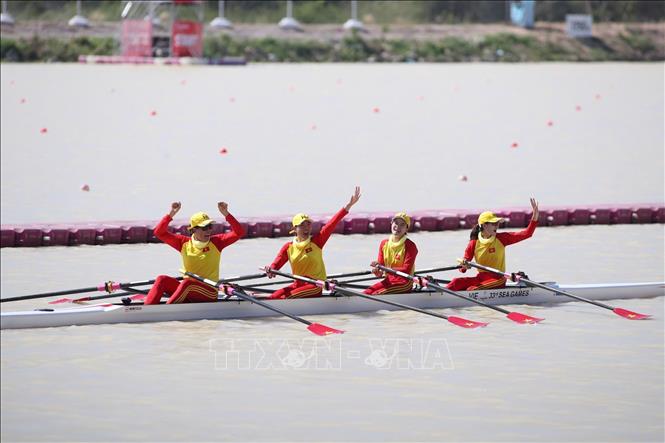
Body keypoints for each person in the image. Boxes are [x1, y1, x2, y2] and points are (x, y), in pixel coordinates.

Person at [265, 186, 362, 299]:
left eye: (308, 224)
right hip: (298, 284)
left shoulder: (317, 241)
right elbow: (275, 266)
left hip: (315, 285)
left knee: (284, 300)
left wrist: (348, 206)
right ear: (294, 228)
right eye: (302, 225)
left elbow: (332, 223)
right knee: (272, 298)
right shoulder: (288, 247)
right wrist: (270, 270)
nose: (306, 228)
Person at [144, 201, 245, 305]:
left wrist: (226, 214)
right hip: (188, 289)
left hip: (209, 292)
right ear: (193, 230)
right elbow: (158, 232)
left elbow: (239, 232)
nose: (208, 231)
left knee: (188, 283)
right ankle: (146, 310)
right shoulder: (183, 243)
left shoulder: (217, 242)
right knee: (162, 279)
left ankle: (166, 310)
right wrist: (171, 214)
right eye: (204, 228)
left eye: (210, 226)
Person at [447, 198, 539, 291]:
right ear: (484, 225)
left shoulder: (502, 239)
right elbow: (463, 268)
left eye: (497, 223)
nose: (497, 226)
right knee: (456, 282)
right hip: (481, 278)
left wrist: (534, 217)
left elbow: (527, 233)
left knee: (473, 289)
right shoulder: (474, 243)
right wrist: (464, 266)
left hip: (498, 279)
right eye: (494, 224)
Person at [365, 212, 418, 295]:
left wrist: (385, 268)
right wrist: (377, 271)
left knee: (376, 294)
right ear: (391, 224)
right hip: (389, 280)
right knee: (366, 292)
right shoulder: (384, 243)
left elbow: (406, 270)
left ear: (406, 229)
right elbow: (381, 272)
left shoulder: (410, 246)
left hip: (405, 283)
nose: (398, 227)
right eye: (396, 223)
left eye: (402, 224)